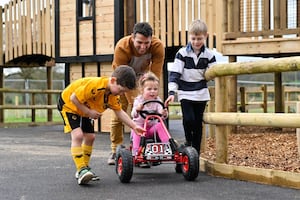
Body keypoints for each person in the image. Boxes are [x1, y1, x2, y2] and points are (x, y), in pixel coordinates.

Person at [57, 65, 145, 185]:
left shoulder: (113, 96)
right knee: (77, 136)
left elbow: (119, 112)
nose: (120, 94)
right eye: (120, 90)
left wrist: (134, 126)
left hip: (84, 109)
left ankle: (84, 169)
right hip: (69, 105)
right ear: (113, 80)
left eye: (124, 92)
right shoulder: (95, 86)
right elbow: (74, 98)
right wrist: (89, 112)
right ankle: (81, 169)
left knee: (90, 137)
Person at [108, 22, 165, 165]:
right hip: (122, 80)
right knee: (118, 112)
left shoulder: (157, 46)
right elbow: (122, 79)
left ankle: (147, 148)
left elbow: (155, 75)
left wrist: (150, 94)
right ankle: (115, 150)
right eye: (139, 42)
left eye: (147, 43)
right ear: (132, 38)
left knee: (150, 112)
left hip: (143, 78)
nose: (143, 47)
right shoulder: (122, 47)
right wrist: (136, 101)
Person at [164, 19, 216, 155]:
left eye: (199, 38)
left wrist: (210, 73)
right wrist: (171, 92)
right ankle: (188, 142)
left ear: (206, 36)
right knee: (189, 119)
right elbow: (175, 74)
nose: (196, 42)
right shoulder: (182, 54)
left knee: (198, 123)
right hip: (185, 92)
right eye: (193, 38)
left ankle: (195, 152)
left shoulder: (209, 55)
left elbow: (212, 72)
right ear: (189, 37)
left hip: (201, 92)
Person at [131, 72, 169, 157]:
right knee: (137, 129)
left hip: (152, 129)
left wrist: (163, 113)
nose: (152, 91)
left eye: (155, 89)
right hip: (140, 128)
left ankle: (167, 147)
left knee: (160, 125)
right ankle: (136, 152)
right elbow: (133, 114)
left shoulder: (158, 100)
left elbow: (161, 113)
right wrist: (137, 109)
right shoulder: (138, 100)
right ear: (142, 90)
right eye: (149, 89)